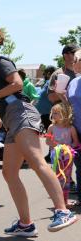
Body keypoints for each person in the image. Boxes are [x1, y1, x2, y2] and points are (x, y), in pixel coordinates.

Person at [0, 29, 77, 236]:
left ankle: (62, 211)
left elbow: (17, 83)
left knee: (37, 160)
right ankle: (26, 223)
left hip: (21, 113)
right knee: (9, 173)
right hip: (11, 119)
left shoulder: (1, 62)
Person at [46, 103, 79, 208]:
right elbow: (47, 141)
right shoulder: (51, 127)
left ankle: (65, 201)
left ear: (64, 114)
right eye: (53, 113)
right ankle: (58, 202)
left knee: (66, 179)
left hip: (67, 157)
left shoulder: (70, 128)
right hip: (56, 156)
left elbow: (76, 142)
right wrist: (57, 146)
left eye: (57, 113)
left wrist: (67, 147)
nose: (54, 115)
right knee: (57, 178)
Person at [64, 48, 81, 205]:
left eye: (75, 60)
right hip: (76, 130)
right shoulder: (74, 82)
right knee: (79, 164)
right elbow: (68, 105)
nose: (72, 63)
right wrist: (62, 95)